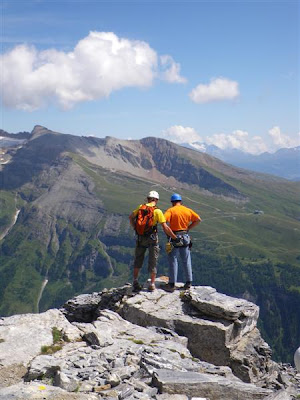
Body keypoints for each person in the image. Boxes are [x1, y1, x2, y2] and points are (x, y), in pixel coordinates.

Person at [129, 190, 177, 292]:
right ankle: (152, 284)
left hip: (140, 238)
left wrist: (135, 229)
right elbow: (165, 227)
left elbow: (131, 217)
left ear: (148, 199)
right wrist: (174, 237)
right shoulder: (157, 211)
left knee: (138, 259)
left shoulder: (140, 207)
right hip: (152, 239)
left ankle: (135, 281)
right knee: (153, 261)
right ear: (156, 200)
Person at [164, 193, 201, 292]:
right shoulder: (187, 210)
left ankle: (172, 284)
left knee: (173, 260)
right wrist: (188, 228)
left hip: (174, 236)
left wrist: (170, 234)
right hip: (185, 236)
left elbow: (163, 221)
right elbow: (198, 219)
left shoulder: (171, 211)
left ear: (172, 202)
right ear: (180, 201)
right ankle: (188, 282)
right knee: (186, 260)